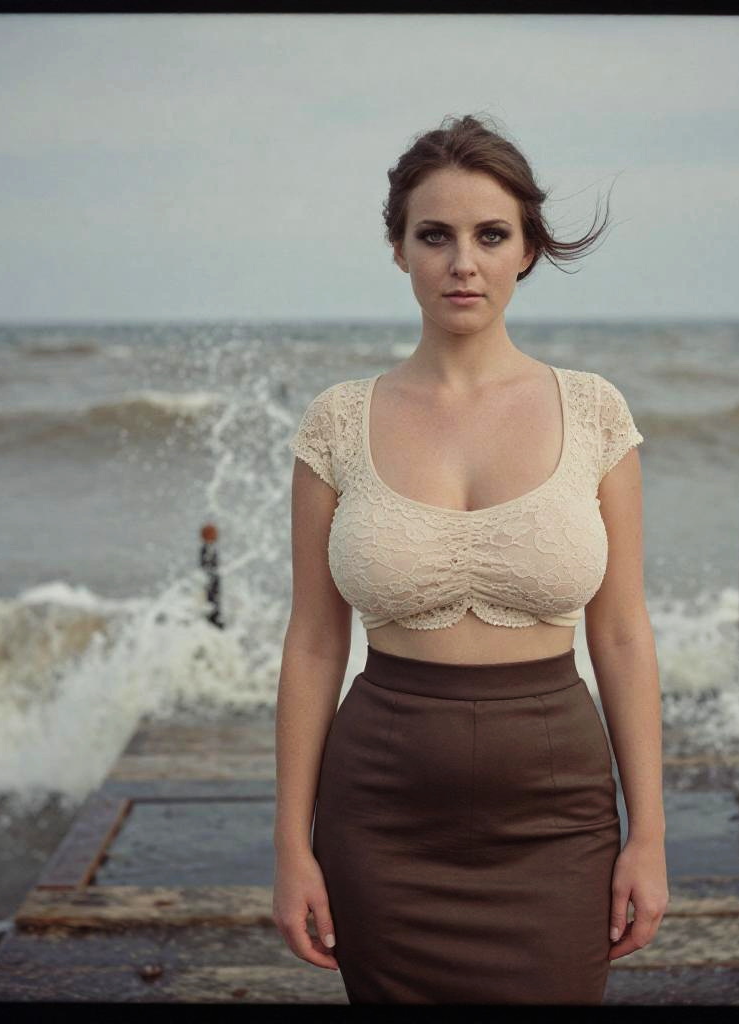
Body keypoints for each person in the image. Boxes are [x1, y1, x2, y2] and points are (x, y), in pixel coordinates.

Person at [273, 113, 667, 1005]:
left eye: (491, 235)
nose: (464, 262)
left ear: (527, 248)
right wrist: (291, 845)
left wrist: (649, 834)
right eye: (435, 236)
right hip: (378, 812)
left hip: (558, 816)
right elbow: (312, 646)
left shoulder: (595, 412)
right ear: (399, 249)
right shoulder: (337, 422)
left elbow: (624, 637)